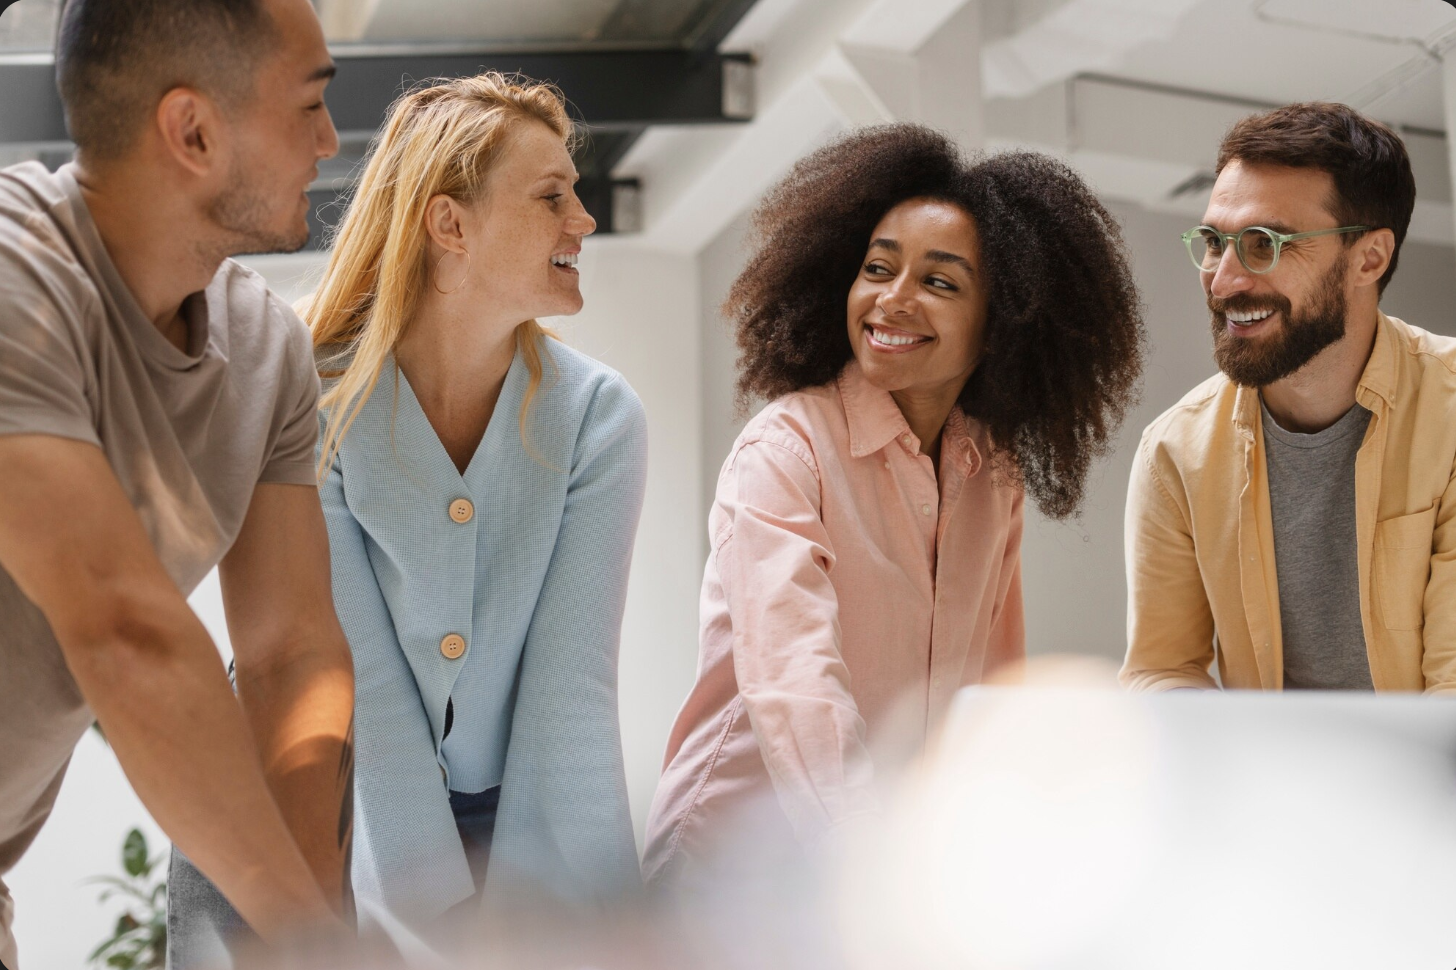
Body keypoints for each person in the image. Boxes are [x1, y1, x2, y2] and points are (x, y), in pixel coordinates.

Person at [643, 125, 1147, 886]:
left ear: (1003, 321)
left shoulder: (992, 474)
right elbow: (795, 682)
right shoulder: (784, 451)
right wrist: (870, 862)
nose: (892, 299)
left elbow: (988, 691)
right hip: (733, 873)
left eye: (940, 283)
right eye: (878, 268)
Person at [0, 0, 354, 967]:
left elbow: (290, 653)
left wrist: (322, 913)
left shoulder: (266, 350)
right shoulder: (13, 281)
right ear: (193, 131)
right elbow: (125, 633)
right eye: (309, 104)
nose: (330, 139)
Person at [303, 73, 645, 936]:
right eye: (552, 196)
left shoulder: (600, 418)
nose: (585, 219)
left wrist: (593, 922)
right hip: (353, 830)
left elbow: (573, 688)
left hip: (533, 819)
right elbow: (366, 685)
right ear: (449, 223)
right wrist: (430, 916)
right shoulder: (315, 407)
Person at [1121, 101, 1456, 693]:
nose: (1223, 281)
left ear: (1369, 258)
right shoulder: (1174, 451)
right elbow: (1161, 669)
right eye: (1214, 242)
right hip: (1271, 782)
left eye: (1264, 244)